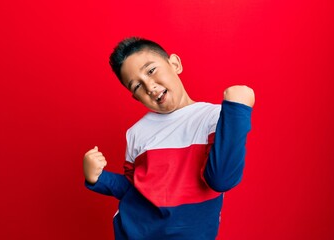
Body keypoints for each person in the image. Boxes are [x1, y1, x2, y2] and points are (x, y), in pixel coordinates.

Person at [83, 37, 255, 239]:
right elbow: (134, 187)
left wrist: (237, 110)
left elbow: (221, 179)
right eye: (137, 86)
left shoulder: (214, 118)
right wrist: (98, 178)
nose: (149, 86)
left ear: (175, 64)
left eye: (150, 71)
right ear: (135, 97)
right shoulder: (136, 133)